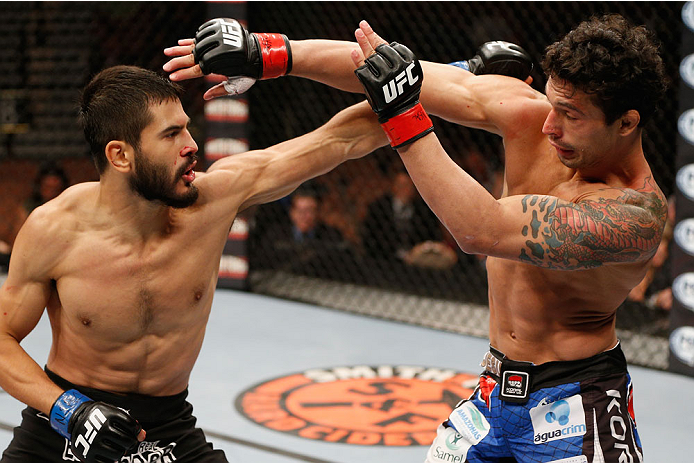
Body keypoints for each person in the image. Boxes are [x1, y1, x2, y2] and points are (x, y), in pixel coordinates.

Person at [163, 13, 668, 461]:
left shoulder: (634, 215)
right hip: (493, 391)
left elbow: (482, 229)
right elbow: (394, 70)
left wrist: (402, 112)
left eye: (572, 116)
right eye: (552, 103)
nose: (550, 125)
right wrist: (269, 53)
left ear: (627, 123)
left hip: (577, 405)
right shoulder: (534, 116)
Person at [0, 65, 385, 463]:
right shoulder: (55, 230)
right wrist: (70, 410)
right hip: (62, 427)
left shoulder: (212, 203)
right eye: (170, 134)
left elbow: (343, 137)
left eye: (185, 127)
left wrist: (436, 81)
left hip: (167, 428)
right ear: (120, 155)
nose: (191, 144)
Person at [252, 188, 349, 276]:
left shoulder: (331, 235)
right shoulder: (276, 233)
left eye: (309, 211)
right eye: (300, 211)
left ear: (317, 212)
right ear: (292, 212)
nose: (304, 216)